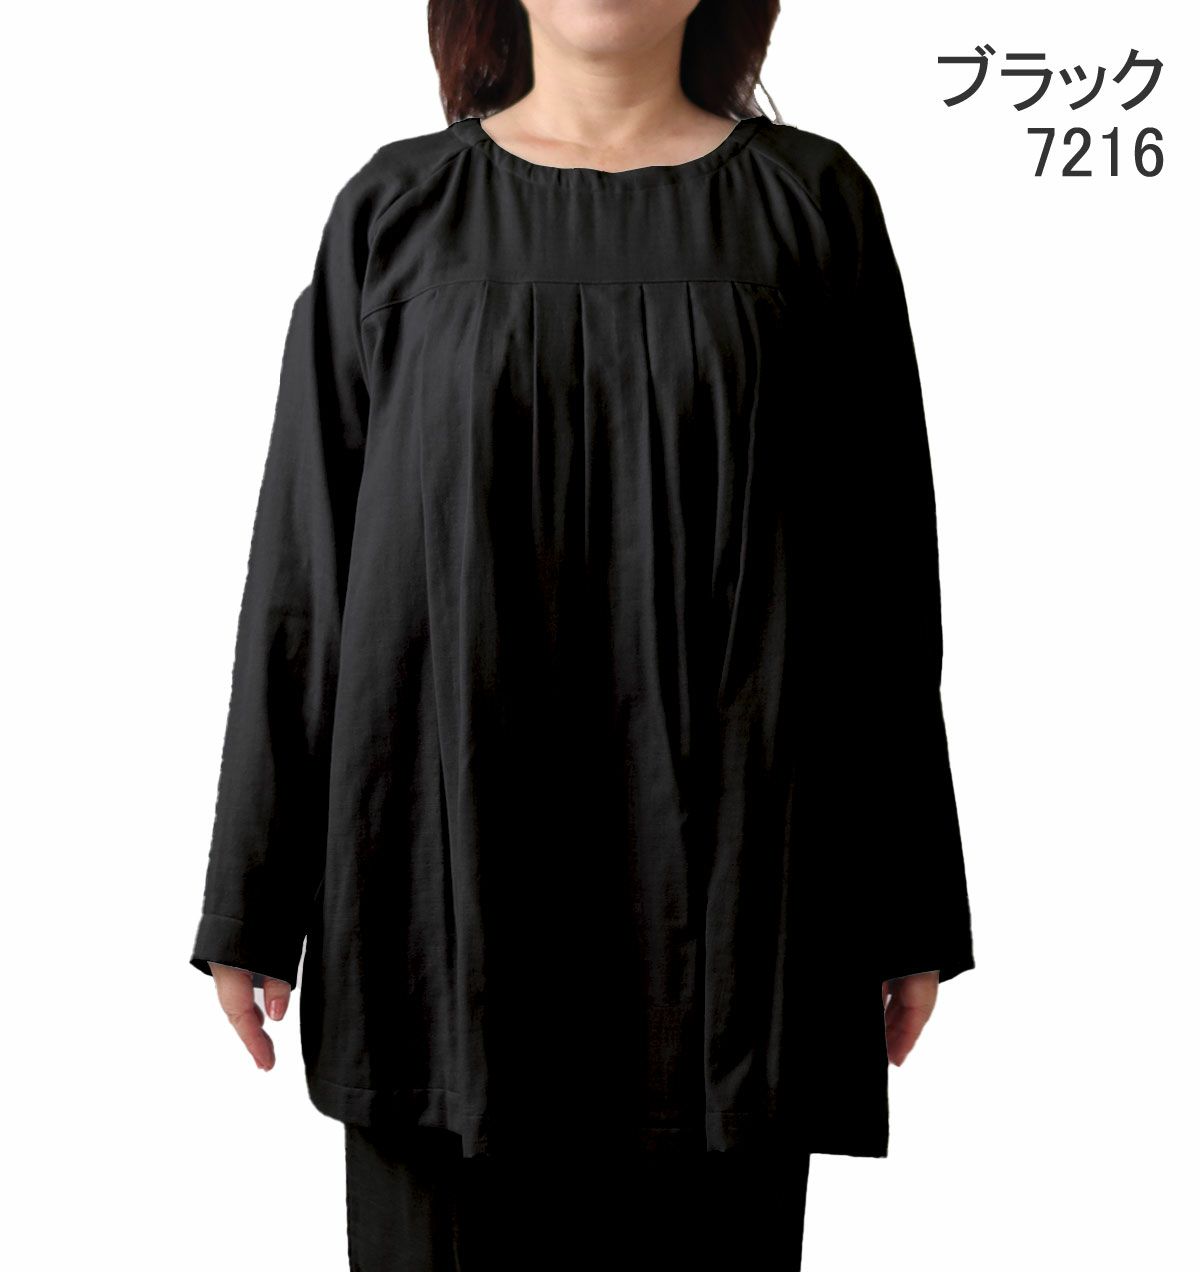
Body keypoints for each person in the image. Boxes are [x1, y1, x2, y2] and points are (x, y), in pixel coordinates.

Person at [189, 2, 976, 1268]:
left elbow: (883, 579)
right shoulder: (396, 213)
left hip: (735, 919)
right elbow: (302, 576)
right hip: (440, 910)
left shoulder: (811, 207)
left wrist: (907, 902)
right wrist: (253, 896)